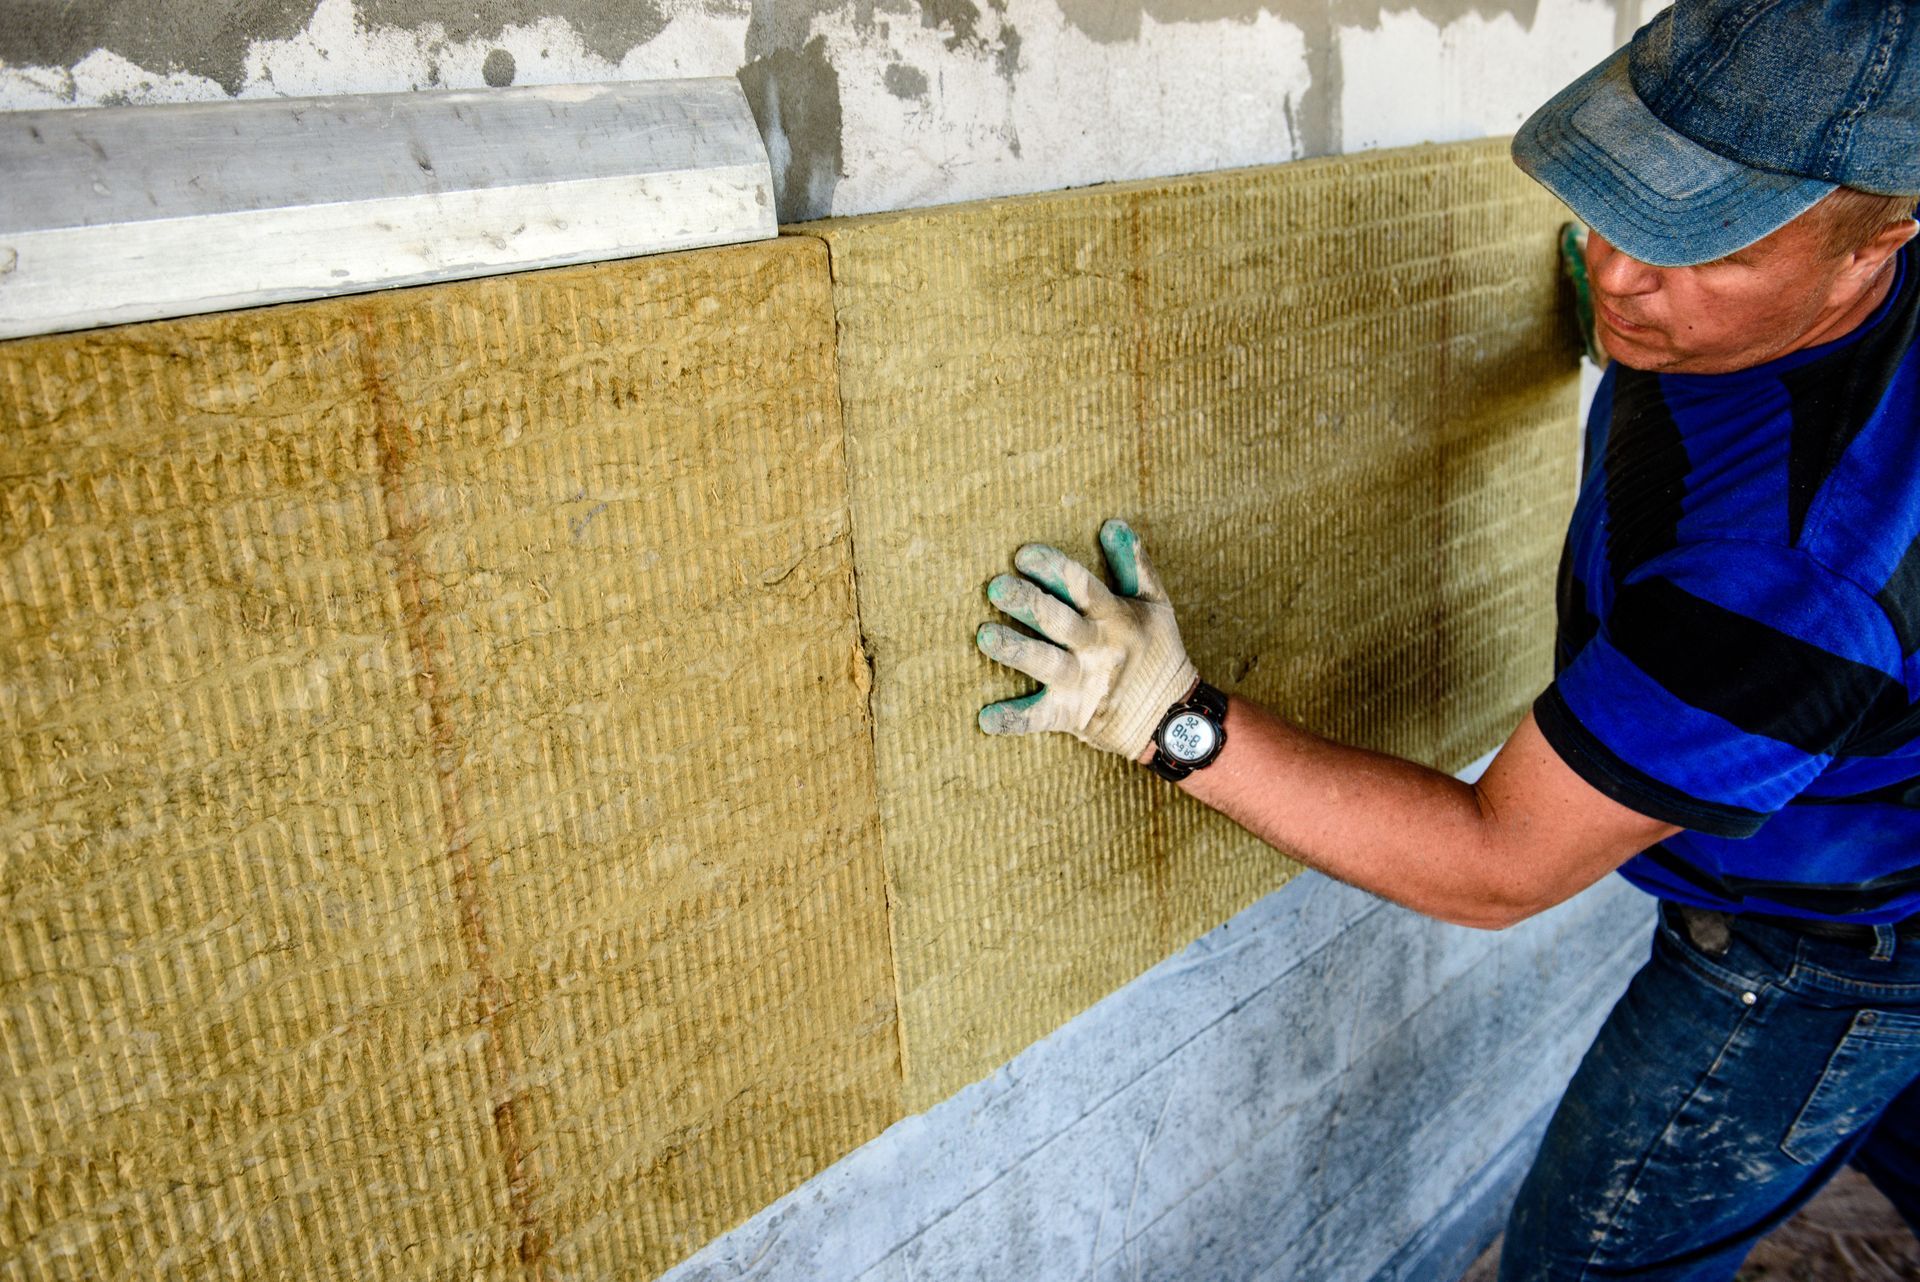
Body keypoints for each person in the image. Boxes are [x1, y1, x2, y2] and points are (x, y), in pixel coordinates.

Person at [971, 1, 1920, 1277]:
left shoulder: (1786, 583)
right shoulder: (1800, 266)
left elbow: (1498, 862)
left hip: (1820, 949)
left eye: (1707, 250)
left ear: (1879, 247)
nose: (1625, 273)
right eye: (1621, 207)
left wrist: (1163, 715)